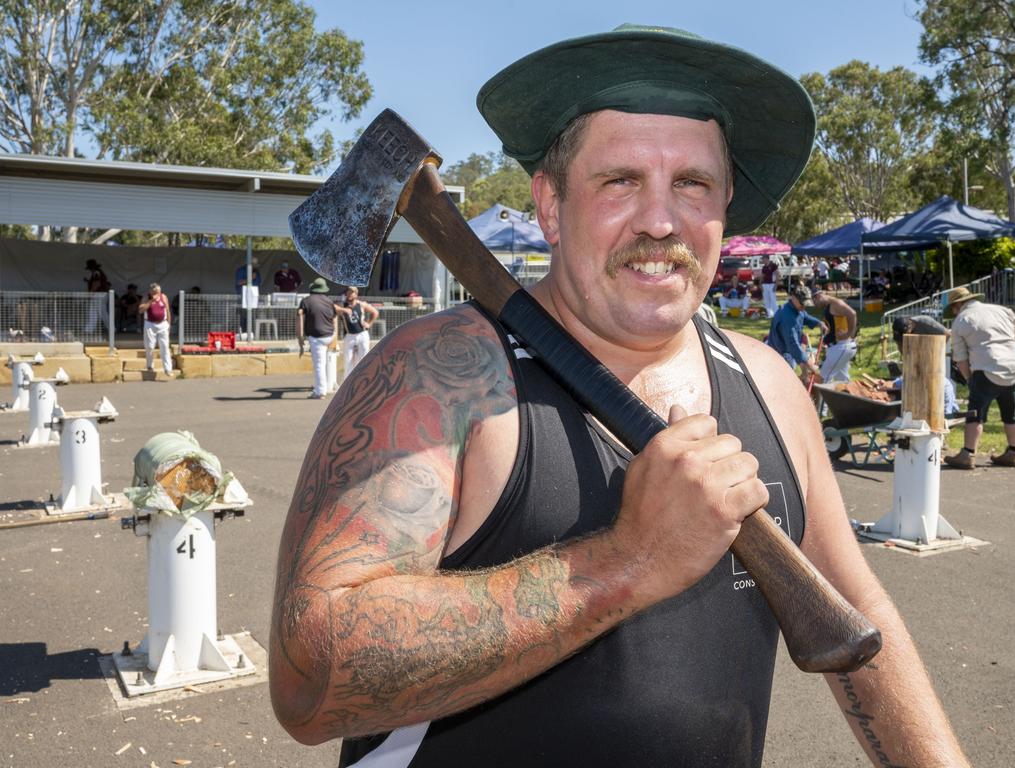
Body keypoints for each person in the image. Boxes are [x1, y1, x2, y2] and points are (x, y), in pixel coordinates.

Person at [270, 25, 969, 768]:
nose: (660, 222)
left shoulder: (766, 381)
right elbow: (309, 679)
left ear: (725, 205)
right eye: (620, 181)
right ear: (548, 203)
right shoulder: (440, 375)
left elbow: (860, 625)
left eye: (692, 185)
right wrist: (629, 560)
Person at [943, 286, 1015, 469]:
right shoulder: (1002, 310)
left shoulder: (960, 321)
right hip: (1014, 367)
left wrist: (970, 380)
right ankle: (1013, 452)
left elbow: (961, 359)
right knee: (1012, 413)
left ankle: (967, 454)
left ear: (957, 305)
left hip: (985, 368)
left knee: (975, 414)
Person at [766, 285, 828, 383]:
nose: (804, 307)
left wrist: (818, 323)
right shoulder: (788, 317)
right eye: (802, 304)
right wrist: (809, 364)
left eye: (805, 304)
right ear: (794, 298)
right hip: (780, 354)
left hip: (788, 351)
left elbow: (804, 316)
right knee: (783, 381)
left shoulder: (797, 309)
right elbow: (792, 344)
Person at [297, 278, 343, 399]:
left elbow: (300, 318)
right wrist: (335, 337)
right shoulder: (329, 301)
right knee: (329, 360)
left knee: (319, 365)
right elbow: (335, 318)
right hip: (330, 335)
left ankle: (320, 391)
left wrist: (300, 340)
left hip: (317, 338)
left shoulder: (306, 301)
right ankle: (329, 384)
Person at [811, 287, 858, 383]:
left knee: (823, 377)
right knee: (842, 379)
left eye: (814, 302)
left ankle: (819, 398)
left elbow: (852, 314)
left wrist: (849, 333)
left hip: (841, 346)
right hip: (838, 347)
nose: (815, 305)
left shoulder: (836, 304)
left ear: (818, 296)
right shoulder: (829, 306)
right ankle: (847, 396)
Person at [338, 285, 379, 381]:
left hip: (362, 334)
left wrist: (369, 323)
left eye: (352, 292)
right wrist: (344, 310)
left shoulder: (361, 304)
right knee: (348, 360)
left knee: (364, 358)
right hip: (349, 335)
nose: (349, 294)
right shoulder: (342, 305)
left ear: (356, 294)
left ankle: (365, 379)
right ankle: (347, 382)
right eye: (348, 292)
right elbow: (333, 307)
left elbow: (375, 312)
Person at [138, 282, 173, 375]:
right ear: (150, 291)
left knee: (165, 346)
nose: (155, 294)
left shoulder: (164, 297)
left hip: (163, 324)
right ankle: (150, 365)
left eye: (157, 292)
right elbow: (141, 310)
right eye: (154, 292)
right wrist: (150, 301)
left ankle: (168, 369)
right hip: (150, 324)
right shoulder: (146, 297)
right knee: (149, 346)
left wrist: (169, 325)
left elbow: (168, 311)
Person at [235, 257, 262, 336]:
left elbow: (258, 284)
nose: (256, 267)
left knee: (253, 318)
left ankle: (252, 335)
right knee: (243, 318)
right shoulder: (241, 271)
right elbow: (238, 282)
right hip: (242, 298)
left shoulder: (257, 272)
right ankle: (243, 335)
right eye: (254, 265)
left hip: (254, 299)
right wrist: (250, 278)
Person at [83, 258, 110, 334]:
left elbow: (97, 283)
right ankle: (89, 329)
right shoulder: (98, 273)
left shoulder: (96, 273)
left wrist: (90, 293)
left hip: (99, 295)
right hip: (99, 294)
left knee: (101, 313)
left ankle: (111, 328)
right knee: (93, 312)